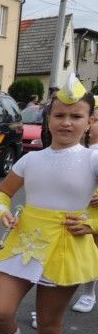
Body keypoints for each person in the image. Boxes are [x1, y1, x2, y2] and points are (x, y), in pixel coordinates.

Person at [0, 74, 98, 334]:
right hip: (25, 243)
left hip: (65, 246)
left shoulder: (93, 159)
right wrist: (4, 213)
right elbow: (2, 193)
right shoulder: (31, 159)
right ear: (48, 117)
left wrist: (92, 223)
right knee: (0, 312)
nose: (66, 122)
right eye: (59, 115)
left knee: (49, 324)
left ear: (89, 121)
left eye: (76, 116)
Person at [71, 109, 98, 314]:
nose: (93, 123)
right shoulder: (76, 148)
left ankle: (89, 292)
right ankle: (52, 303)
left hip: (95, 210)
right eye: (93, 119)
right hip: (75, 207)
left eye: (97, 120)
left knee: (93, 251)